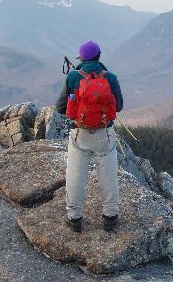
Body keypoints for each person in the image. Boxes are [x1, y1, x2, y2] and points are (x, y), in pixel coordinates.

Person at [56, 40, 123, 233]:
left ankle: (74, 217)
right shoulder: (110, 77)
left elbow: (61, 107)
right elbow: (118, 106)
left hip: (80, 133)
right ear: (99, 55)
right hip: (105, 134)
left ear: (81, 58)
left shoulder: (73, 77)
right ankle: (110, 217)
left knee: (75, 175)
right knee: (108, 175)